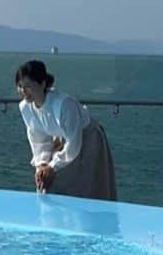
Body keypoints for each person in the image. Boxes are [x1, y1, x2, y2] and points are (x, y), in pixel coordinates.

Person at [15, 58, 117, 200]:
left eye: (28, 86)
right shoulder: (26, 107)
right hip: (63, 141)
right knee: (46, 183)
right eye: (20, 86)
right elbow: (38, 139)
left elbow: (73, 144)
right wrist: (42, 164)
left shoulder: (63, 105)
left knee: (89, 189)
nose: (23, 91)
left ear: (42, 84)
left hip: (87, 140)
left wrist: (53, 167)